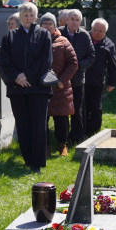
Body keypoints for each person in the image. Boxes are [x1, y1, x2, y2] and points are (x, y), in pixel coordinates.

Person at [0, 1, 52, 172]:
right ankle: (27, 159)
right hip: (18, 89)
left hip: (38, 88)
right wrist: (16, 77)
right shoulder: (10, 36)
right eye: (25, 15)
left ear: (37, 16)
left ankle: (37, 163)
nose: (29, 18)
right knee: (23, 125)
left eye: (31, 15)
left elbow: (46, 61)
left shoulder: (44, 35)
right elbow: (3, 62)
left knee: (38, 125)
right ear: (20, 17)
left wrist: (26, 76)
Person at [40, 13, 77, 157]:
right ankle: (46, 147)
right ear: (40, 25)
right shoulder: (35, 40)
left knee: (61, 119)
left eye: (50, 23)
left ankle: (62, 146)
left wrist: (62, 80)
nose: (48, 25)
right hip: (41, 88)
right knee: (42, 119)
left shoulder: (63, 41)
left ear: (55, 26)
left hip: (60, 87)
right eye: (45, 23)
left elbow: (73, 63)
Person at [62, 9, 95, 145]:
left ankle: (77, 136)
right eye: (72, 19)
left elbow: (91, 56)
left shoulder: (84, 35)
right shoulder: (59, 33)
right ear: (67, 20)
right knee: (62, 109)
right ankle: (62, 137)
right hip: (61, 79)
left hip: (77, 79)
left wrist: (77, 65)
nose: (74, 22)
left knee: (77, 109)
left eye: (77, 20)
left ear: (80, 22)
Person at [85, 18, 116, 136]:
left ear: (105, 32)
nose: (97, 33)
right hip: (81, 80)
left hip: (97, 81)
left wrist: (112, 82)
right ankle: (81, 130)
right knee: (82, 107)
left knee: (95, 107)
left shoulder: (109, 44)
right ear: (91, 28)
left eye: (101, 31)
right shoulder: (84, 38)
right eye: (95, 30)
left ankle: (93, 132)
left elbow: (113, 65)